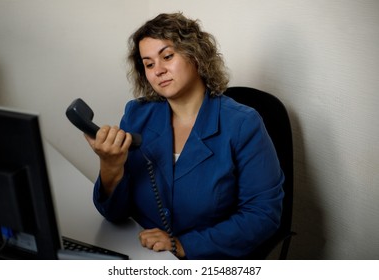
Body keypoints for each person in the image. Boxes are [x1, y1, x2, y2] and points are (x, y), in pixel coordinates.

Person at [85, 12, 284, 260]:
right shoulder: (136, 115)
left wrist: (182, 244)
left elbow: (263, 215)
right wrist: (110, 165)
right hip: (142, 254)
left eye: (167, 56)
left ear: (196, 55)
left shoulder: (244, 124)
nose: (158, 70)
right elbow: (114, 214)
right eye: (148, 64)